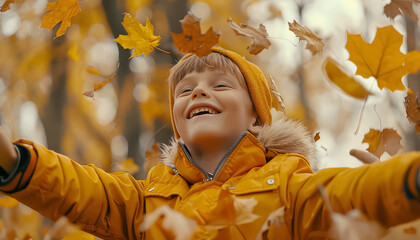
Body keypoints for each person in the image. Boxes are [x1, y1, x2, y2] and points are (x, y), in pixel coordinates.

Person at [0, 47, 419, 240]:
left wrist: (406, 176)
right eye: (185, 91)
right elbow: (84, 190)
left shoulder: (289, 182)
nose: (199, 93)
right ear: (177, 125)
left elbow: (350, 194)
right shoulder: (148, 200)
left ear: (255, 113)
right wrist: (13, 160)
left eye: (220, 85)